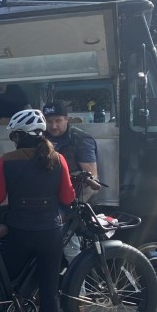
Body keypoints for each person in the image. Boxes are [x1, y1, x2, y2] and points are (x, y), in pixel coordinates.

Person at [0, 109, 75, 312]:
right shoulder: (58, 159)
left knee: (3, 285)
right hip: (50, 233)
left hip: (18, 231)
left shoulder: (7, 160)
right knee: (49, 294)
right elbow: (69, 198)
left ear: (19, 136)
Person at [43, 100, 100, 264]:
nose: (53, 126)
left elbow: (92, 180)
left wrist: (70, 210)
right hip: (47, 199)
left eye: (58, 120)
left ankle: (78, 288)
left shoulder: (80, 140)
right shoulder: (41, 139)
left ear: (67, 119)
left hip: (73, 200)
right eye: (49, 121)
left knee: (70, 248)